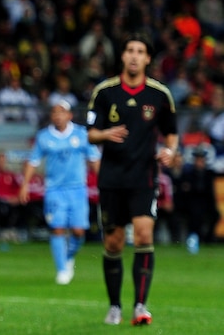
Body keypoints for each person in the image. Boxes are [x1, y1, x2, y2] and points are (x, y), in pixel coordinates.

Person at [87, 33, 178, 326]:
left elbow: (171, 132)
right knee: (113, 243)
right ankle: (114, 306)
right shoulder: (105, 92)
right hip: (112, 179)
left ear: (148, 58)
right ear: (123, 56)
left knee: (143, 235)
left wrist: (170, 151)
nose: (135, 56)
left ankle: (140, 305)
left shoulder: (160, 94)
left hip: (144, 178)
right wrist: (105, 134)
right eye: (130, 50)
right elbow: (89, 132)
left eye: (141, 51)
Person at [19, 100, 101, 285]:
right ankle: (62, 269)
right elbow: (33, 161)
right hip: (54, 190)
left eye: (61, 112)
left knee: (79, 232)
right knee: (57, 228)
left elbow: (95, 159)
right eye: (54, 112)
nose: (57, 115)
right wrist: (24, 184)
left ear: (69, 115)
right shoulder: (44, 136)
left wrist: (104, 183)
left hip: (78, 189)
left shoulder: (82, 134)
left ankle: (69, 256)